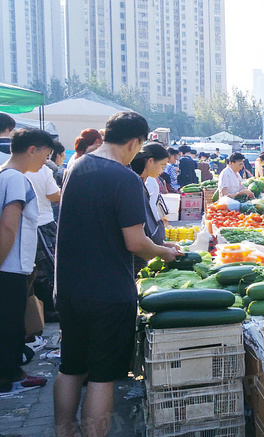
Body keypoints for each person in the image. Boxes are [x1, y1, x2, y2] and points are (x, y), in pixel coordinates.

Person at [53, 112, 179, 437]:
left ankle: (64, 431)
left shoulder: (76, 166)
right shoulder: (124, 178)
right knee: (101, 376)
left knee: (70, 367)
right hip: (107, 293)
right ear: (135, 142)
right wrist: (164, 251)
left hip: (67, 288)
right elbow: (136, 242)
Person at [0, 128, 54, 394]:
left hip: (8, 265)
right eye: (45, 155)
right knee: (10, 325)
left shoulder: (3, 174)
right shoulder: (16, 180)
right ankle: (11, 378)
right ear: (32, 149)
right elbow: (9, 227)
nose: (45, 161)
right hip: (9, 266)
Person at [26, 140, 62, 322]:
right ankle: (49, 309)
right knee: (48, 269)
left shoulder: (10, 169)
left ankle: (41, 310)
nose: (48, 159)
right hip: (43, 223)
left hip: (26, 226)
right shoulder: (43, 170)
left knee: (34, 270)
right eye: (46, 154)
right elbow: (54, 195)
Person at [129, 142, 178, 275]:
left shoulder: (142, 182)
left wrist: (161, 246)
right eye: (162, 165)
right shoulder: (133, 185)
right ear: (150, 161)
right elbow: (136, 238)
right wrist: (161, 250)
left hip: (141, 255)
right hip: (132, 259)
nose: (162, 171)